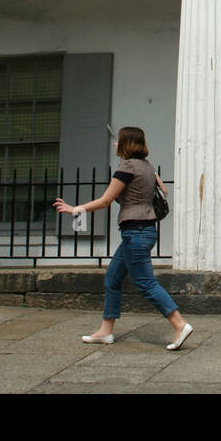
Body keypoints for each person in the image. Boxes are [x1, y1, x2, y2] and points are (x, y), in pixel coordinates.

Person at [54, 126, 192, 350]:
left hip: (134, 233)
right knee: (112, 279)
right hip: (146, 231)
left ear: (126, 143)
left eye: (118, 140)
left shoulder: (127, 167)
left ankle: (179, 324)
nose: (115, 144)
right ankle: (105, 331)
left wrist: (74, 209)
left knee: (146, 283)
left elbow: (106, 201)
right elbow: (163, 192)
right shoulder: (148, 166)